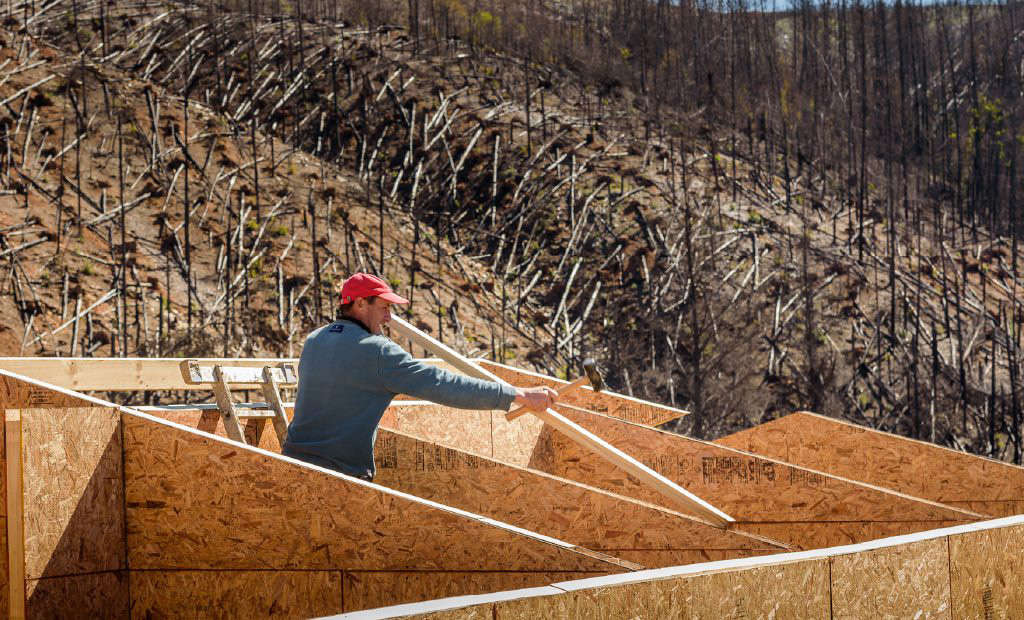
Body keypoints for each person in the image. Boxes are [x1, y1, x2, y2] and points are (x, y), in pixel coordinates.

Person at [282, 272, 557, 480]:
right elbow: (442, 384)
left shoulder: (314, 340)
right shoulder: (378, 352)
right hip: (337, 478)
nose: (389, 317)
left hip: (290, 466)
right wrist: (517, 394)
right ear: (361, 305)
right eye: (384, 308)